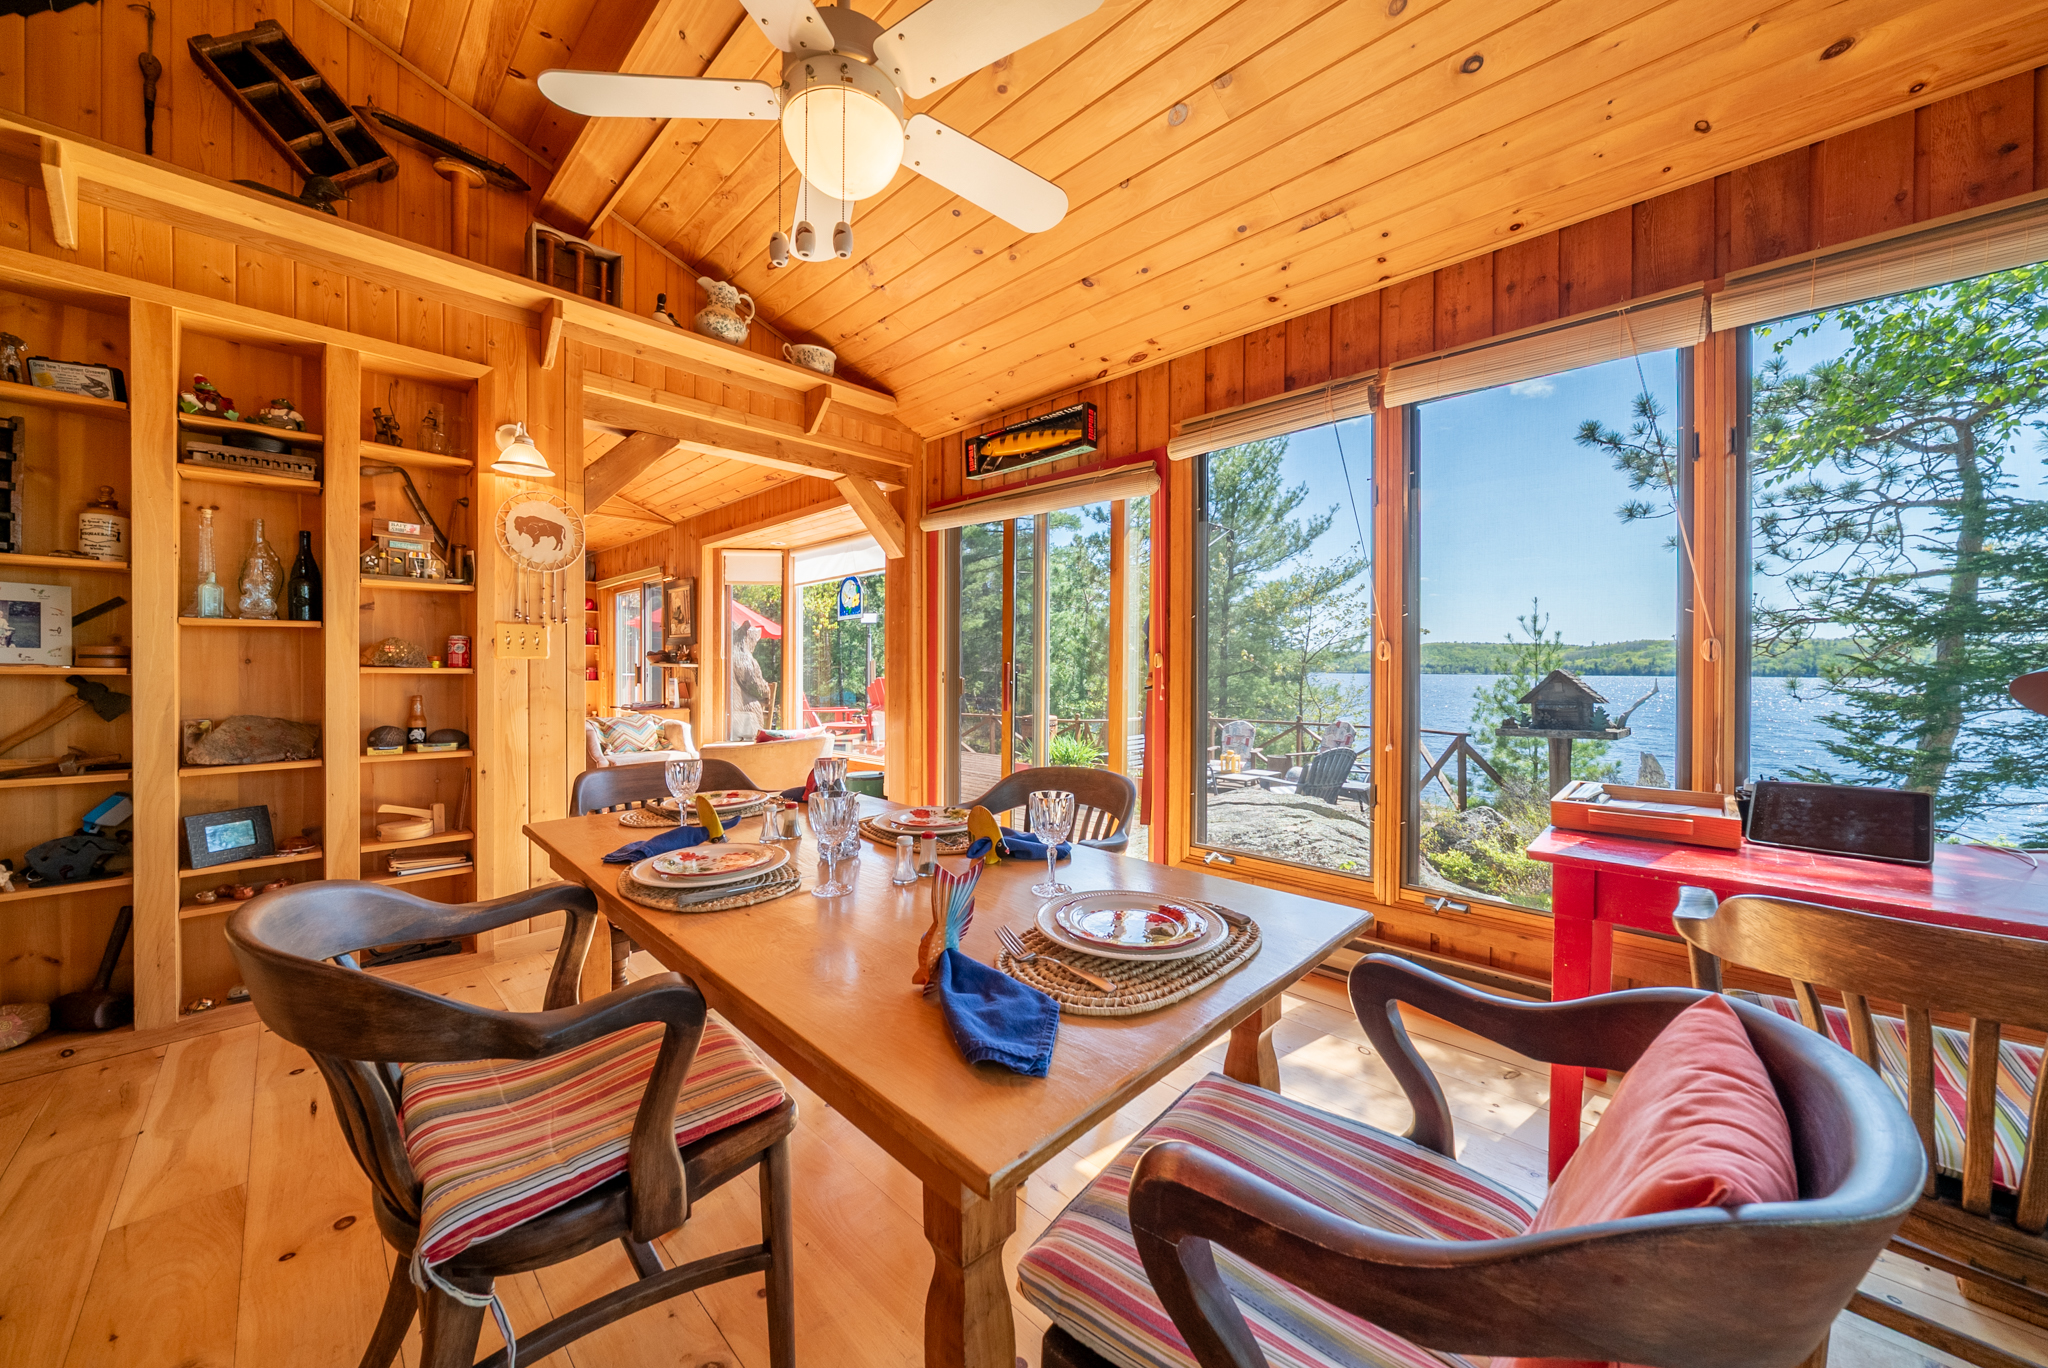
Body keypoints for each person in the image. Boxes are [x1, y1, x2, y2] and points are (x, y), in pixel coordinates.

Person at [729, 619, 774, 739]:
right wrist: (766, 691)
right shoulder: (742, 655)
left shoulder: (727, 656)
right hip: (746, 716)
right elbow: (754, 683)